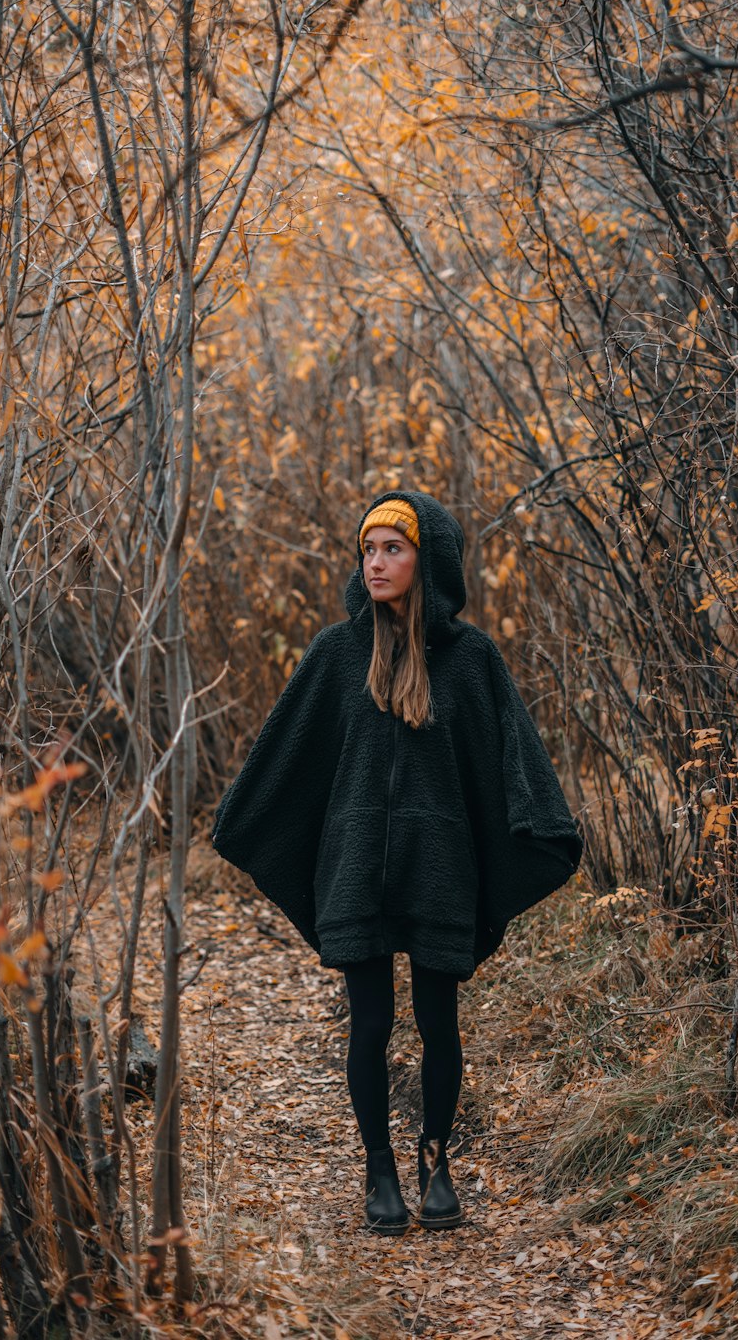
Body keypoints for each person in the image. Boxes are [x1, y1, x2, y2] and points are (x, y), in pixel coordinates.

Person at [212, 491, 582, 1234]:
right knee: (371, 1024)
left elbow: (507, 765)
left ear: (428, 561)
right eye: (368, 549)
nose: (375, 563)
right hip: (355, 869)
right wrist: (250, 825)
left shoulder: (471, 659)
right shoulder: (334, 654)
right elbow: (288, 763)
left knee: (439, 1023)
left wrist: (531, 835)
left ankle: (435, 1162)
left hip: (440, 867)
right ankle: (379, 1169)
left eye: (393, 548)